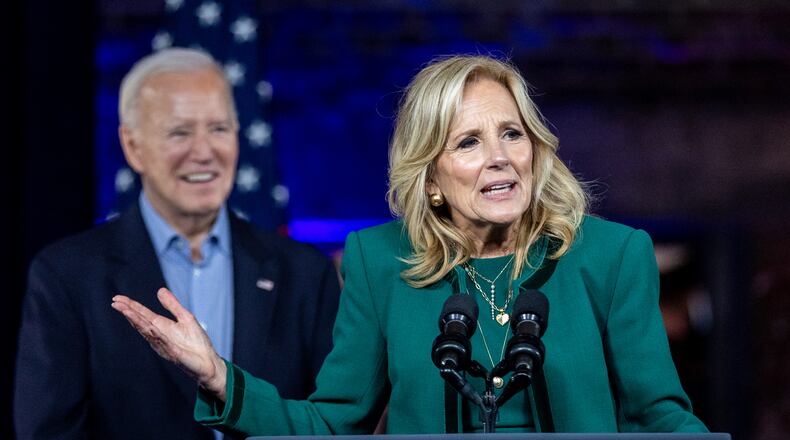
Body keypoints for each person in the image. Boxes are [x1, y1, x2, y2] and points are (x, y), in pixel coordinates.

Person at [112, 54, 708, 435]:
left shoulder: (611, 256)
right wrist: (220, 376)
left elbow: (658, 417)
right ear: (431, 178)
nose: (500, 155)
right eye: (468, 142)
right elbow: (333, 423)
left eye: (511, 133)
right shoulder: (380, 263)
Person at [14, 48, 341, 440]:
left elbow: (330, 424)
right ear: (133, 146)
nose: (204, 152)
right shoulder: (66, 276)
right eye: (179, 132)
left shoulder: (305, 272)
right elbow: (50, 432)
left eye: (219, 129)